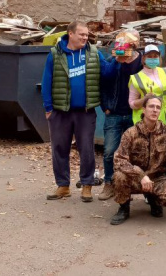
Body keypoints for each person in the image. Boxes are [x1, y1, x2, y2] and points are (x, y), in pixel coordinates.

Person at [42, 20, 113, 203]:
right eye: (81, 34)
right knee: (59, 148)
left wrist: (119, 59)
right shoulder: (55, 54)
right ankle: (63, 186)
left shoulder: (94, 53)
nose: (85, 37)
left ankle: (87, 185)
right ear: (70, 34)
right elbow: (47, 81)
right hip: (60, 111)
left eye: (87, 34)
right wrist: (48, 108)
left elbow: (107, 73)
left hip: (85, 111)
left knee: (86, 149)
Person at [110, 94, 166, 225]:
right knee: (119, 177)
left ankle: (154, 199)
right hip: (135, 179)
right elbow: (119, 160)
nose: (155, 110)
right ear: (144, 109)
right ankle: (124, 208)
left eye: (158, 107)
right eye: (151, 106)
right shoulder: (131, 133)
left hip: (157, 179)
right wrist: (141, 175)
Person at [97, 30, 144, 201]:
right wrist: (105, 107)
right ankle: (109, 183)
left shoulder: (142, 61)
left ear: (136, 43)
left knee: (136, 153)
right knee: (110, 151)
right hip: (114, 113)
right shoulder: (113, 60)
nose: (128, 44)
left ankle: (133, 185)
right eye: (124, 41)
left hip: (135, 114)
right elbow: (103, 80)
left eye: (131, 41)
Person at [128, 44, 166, 124]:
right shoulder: (136, 78)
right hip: (146, 121)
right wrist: (144, 99)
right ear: (144, 58)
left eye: (155, 56)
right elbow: (132, 104)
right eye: (149, 56)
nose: (153, 59)